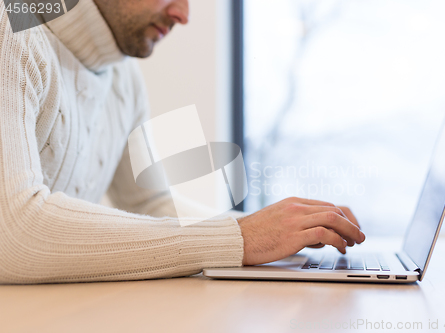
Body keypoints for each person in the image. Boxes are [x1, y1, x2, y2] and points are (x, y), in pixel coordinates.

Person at [0, 0, 365, 284]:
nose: (183, 13)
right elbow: (11, 234)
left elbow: (148, 203)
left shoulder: (123, 76)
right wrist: (239, 238)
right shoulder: (10, 25)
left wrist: (276, 231)